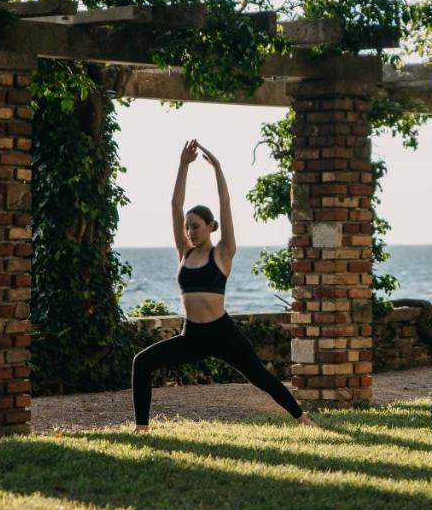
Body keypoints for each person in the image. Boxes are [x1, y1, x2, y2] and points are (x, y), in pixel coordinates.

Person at [132, 139, 316, 432]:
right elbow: (175, 205)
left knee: (260, 377)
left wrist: (218, 168)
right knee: (141, 362)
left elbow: (226, 203)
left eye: (196, 226)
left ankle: (303, 420)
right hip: (192, 334)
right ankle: (141, 428)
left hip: (222, 332)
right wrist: (183, 166)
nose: (190, 231)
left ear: (211, 226)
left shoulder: (222, 252)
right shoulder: (185, 252)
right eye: (188, 226)